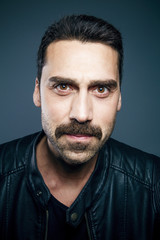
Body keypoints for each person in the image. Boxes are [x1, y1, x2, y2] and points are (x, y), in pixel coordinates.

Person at [0, 14, 160, 240]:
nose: (82, 115)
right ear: (37, 91)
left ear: (120, 97)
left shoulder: (154, 185)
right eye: (63, 86)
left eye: (101, 89)